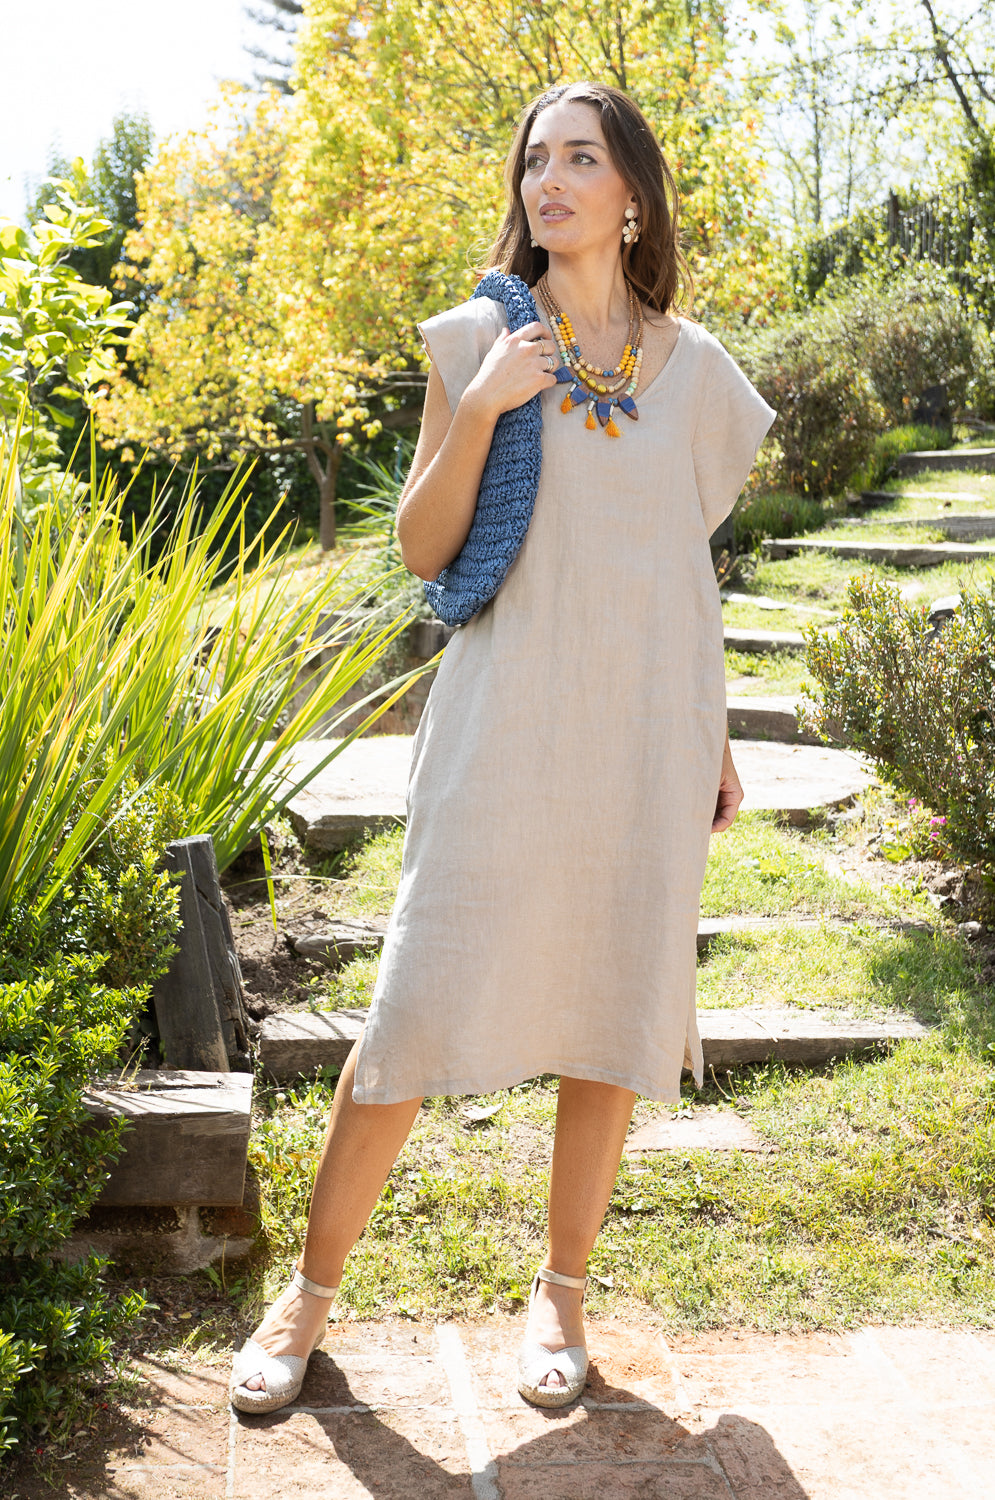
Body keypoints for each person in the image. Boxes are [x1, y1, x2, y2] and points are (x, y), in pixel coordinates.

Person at [231, 80, 775, 1416]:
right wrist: (479, 405)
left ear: (632, 193)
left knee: (611, 1008)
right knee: (415, 1006)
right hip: (501, 727)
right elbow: (425, 552)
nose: (551, 181)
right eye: (536, 160)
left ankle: (563, 1292)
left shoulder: (698, 371)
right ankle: (307, 1296)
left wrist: (710, 738)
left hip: (643, 734)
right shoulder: (482, 332)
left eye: (581, 158)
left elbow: (682, 574)